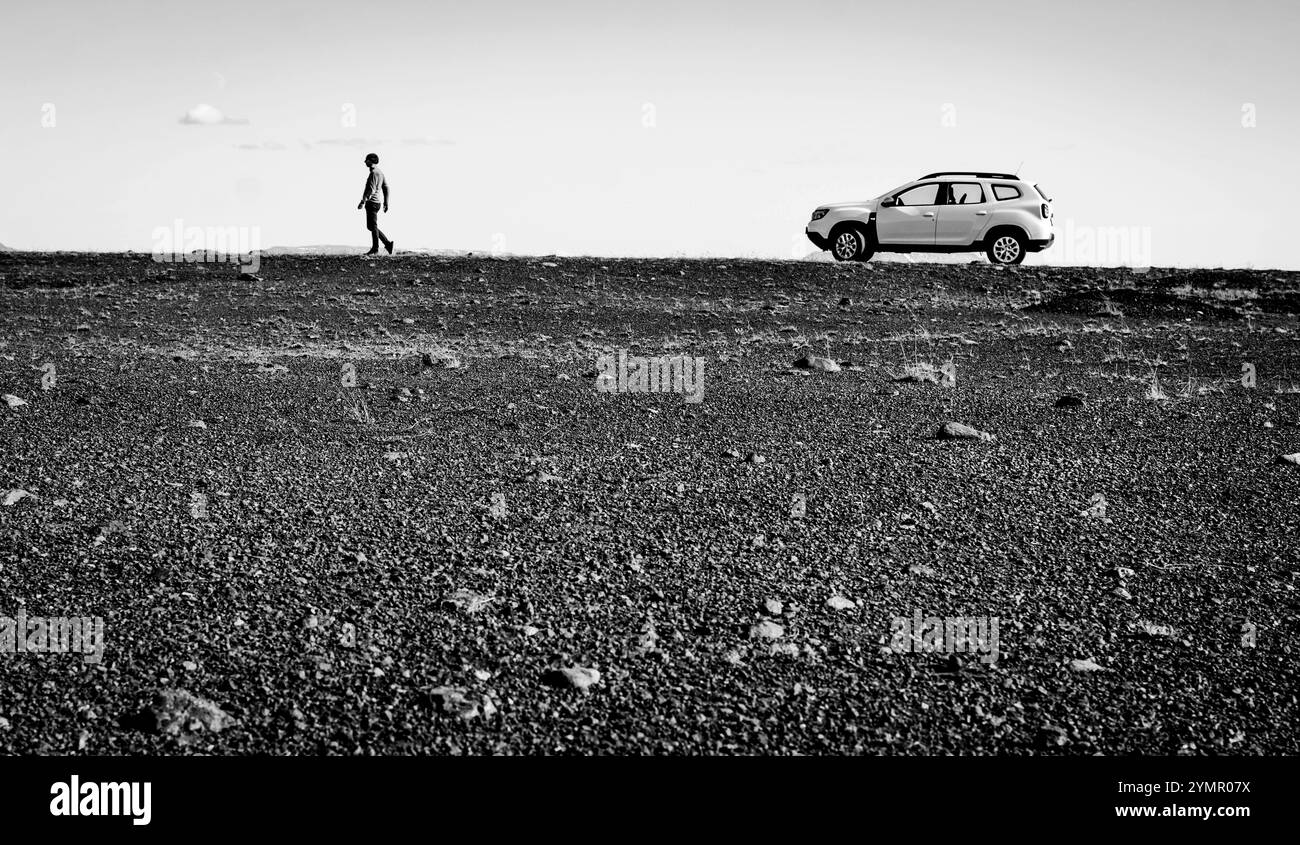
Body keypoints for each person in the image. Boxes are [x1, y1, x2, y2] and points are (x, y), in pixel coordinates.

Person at [357, 153, 393, 255]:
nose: (365, 162)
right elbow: (386, 187)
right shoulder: (380, 172)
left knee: (373, 226)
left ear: (371, 161)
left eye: (366, 160)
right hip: (377, 203)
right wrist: (386, 202)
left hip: (372, 202)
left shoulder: (374, 173)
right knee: (371, 226)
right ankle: (387, 244)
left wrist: (363, 201)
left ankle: (375, 249)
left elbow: (371, 190)